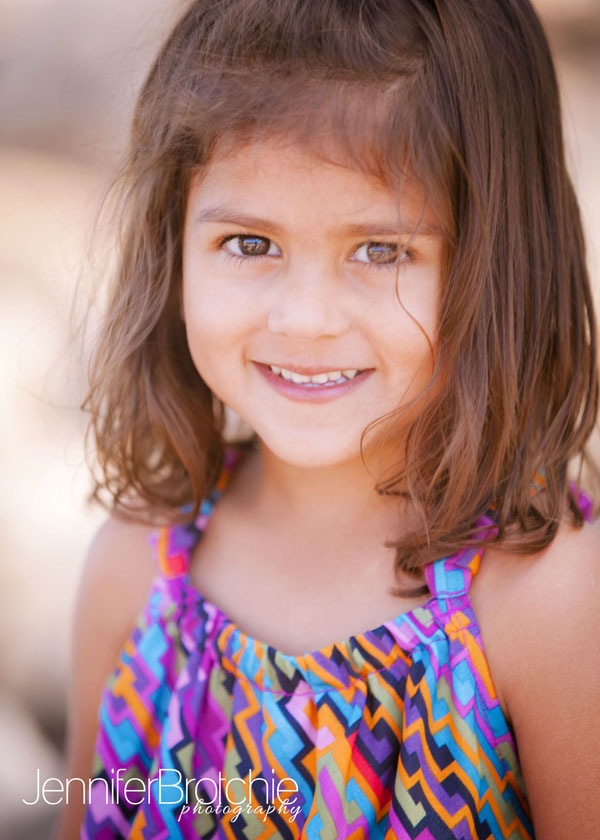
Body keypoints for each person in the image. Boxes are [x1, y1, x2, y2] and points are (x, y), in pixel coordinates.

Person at [55, 0, 600, 837]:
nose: (305, 320)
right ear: (174, 245)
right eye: (249, 244)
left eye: (382, 251)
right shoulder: (138, 570)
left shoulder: (547, 601)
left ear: (497, 264)